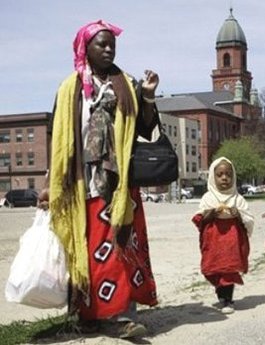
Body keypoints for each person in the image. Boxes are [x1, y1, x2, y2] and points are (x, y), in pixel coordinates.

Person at [40, 20, 159, 338]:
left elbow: (146, 129)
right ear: (84, 48)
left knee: (117, 248)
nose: (108, 49)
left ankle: (119, 316)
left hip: (119, 186)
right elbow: (58, 138)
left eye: (112, 45)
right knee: (84, 248)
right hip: (81, 184)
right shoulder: (70, 89)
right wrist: (51, 180)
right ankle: (87, 315)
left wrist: (147, 97)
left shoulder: (127, 84)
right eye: (101, 44)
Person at [192, 157, 254, 314]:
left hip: (232, 240)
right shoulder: (208, 198)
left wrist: (237, 214)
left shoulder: (237, 198)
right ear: (213, 178)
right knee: (211, 270)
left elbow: (248, 220)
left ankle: (228, 300)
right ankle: (221, 292)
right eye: (220, 175)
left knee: (229, 269)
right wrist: (211, 213)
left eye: (228, 174)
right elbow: (200, 219)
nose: (224, 178)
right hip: (213, 241)